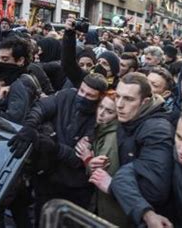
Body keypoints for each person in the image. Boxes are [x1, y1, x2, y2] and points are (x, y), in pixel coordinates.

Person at [8, 73, 108, 223]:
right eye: (81, 91)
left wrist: (55, 148)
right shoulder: (67, 96)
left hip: (74, 188)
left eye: (89, 95)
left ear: (99, 98)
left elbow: (79, 159)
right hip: (47, 179)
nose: (82, 96)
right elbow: (42, 107)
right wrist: (29, 126)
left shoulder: (100, 118)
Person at [90, 73, 173, 227]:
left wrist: (113, 185)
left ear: (145, 102)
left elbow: (154, 191)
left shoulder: (157, 130)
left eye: (128, 99)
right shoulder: (129, 118)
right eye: (118, 97)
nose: (119, 105)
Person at [75, 91, 130, 226]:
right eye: (101, 107)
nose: (101, 113)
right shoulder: (103, 130)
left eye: (109, 111)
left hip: (110, 211)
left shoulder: (111, 138)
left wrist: (87, 159)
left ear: (118, 115)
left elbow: (102, 177)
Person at [62, 17, 120, 89]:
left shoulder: (119, 88)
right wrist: (69, 33)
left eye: (105, 63)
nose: (99, 65)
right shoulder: (86, 79)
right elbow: (68, 63)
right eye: (98, 61)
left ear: (114, 69)